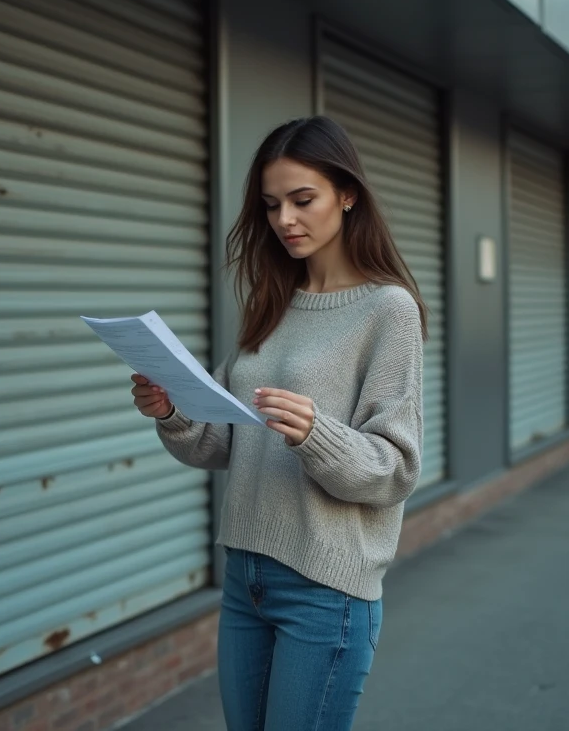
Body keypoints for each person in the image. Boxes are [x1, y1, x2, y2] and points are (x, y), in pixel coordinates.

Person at [130, 115, 426, 731]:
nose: (285, 220)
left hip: (325, 589)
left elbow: (395, 469)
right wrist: (175, 411)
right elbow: (225, 441)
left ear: (347, 195)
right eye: (271, 205)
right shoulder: (272, 300)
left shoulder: (387, 309)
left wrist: (318, 433)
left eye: (303, 199)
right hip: (246, 576)